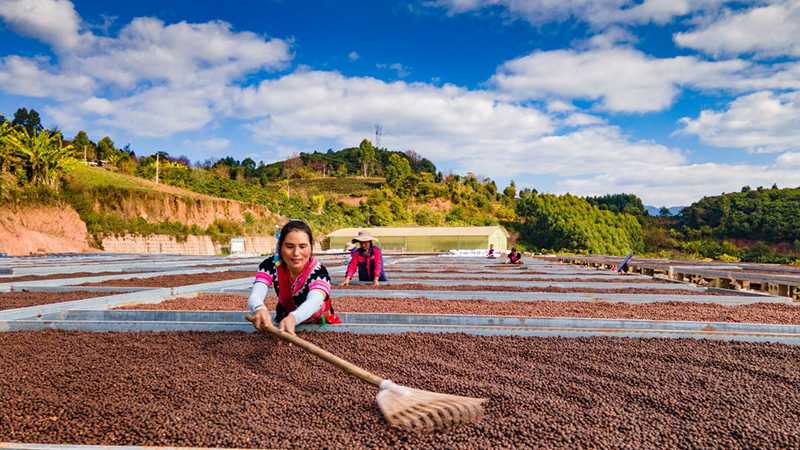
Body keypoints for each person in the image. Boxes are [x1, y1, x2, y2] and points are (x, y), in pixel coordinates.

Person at [248, 220, 340, 335]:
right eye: (289, 246)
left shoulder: (319, 273)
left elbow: (314, 301)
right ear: (280, 246)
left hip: (318, 326)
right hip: (284, 323)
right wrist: (259, 308)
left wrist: (294, 318)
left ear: (311, 247)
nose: (296, 253)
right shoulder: (270, 265)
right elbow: (256, 293)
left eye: (303, 246)